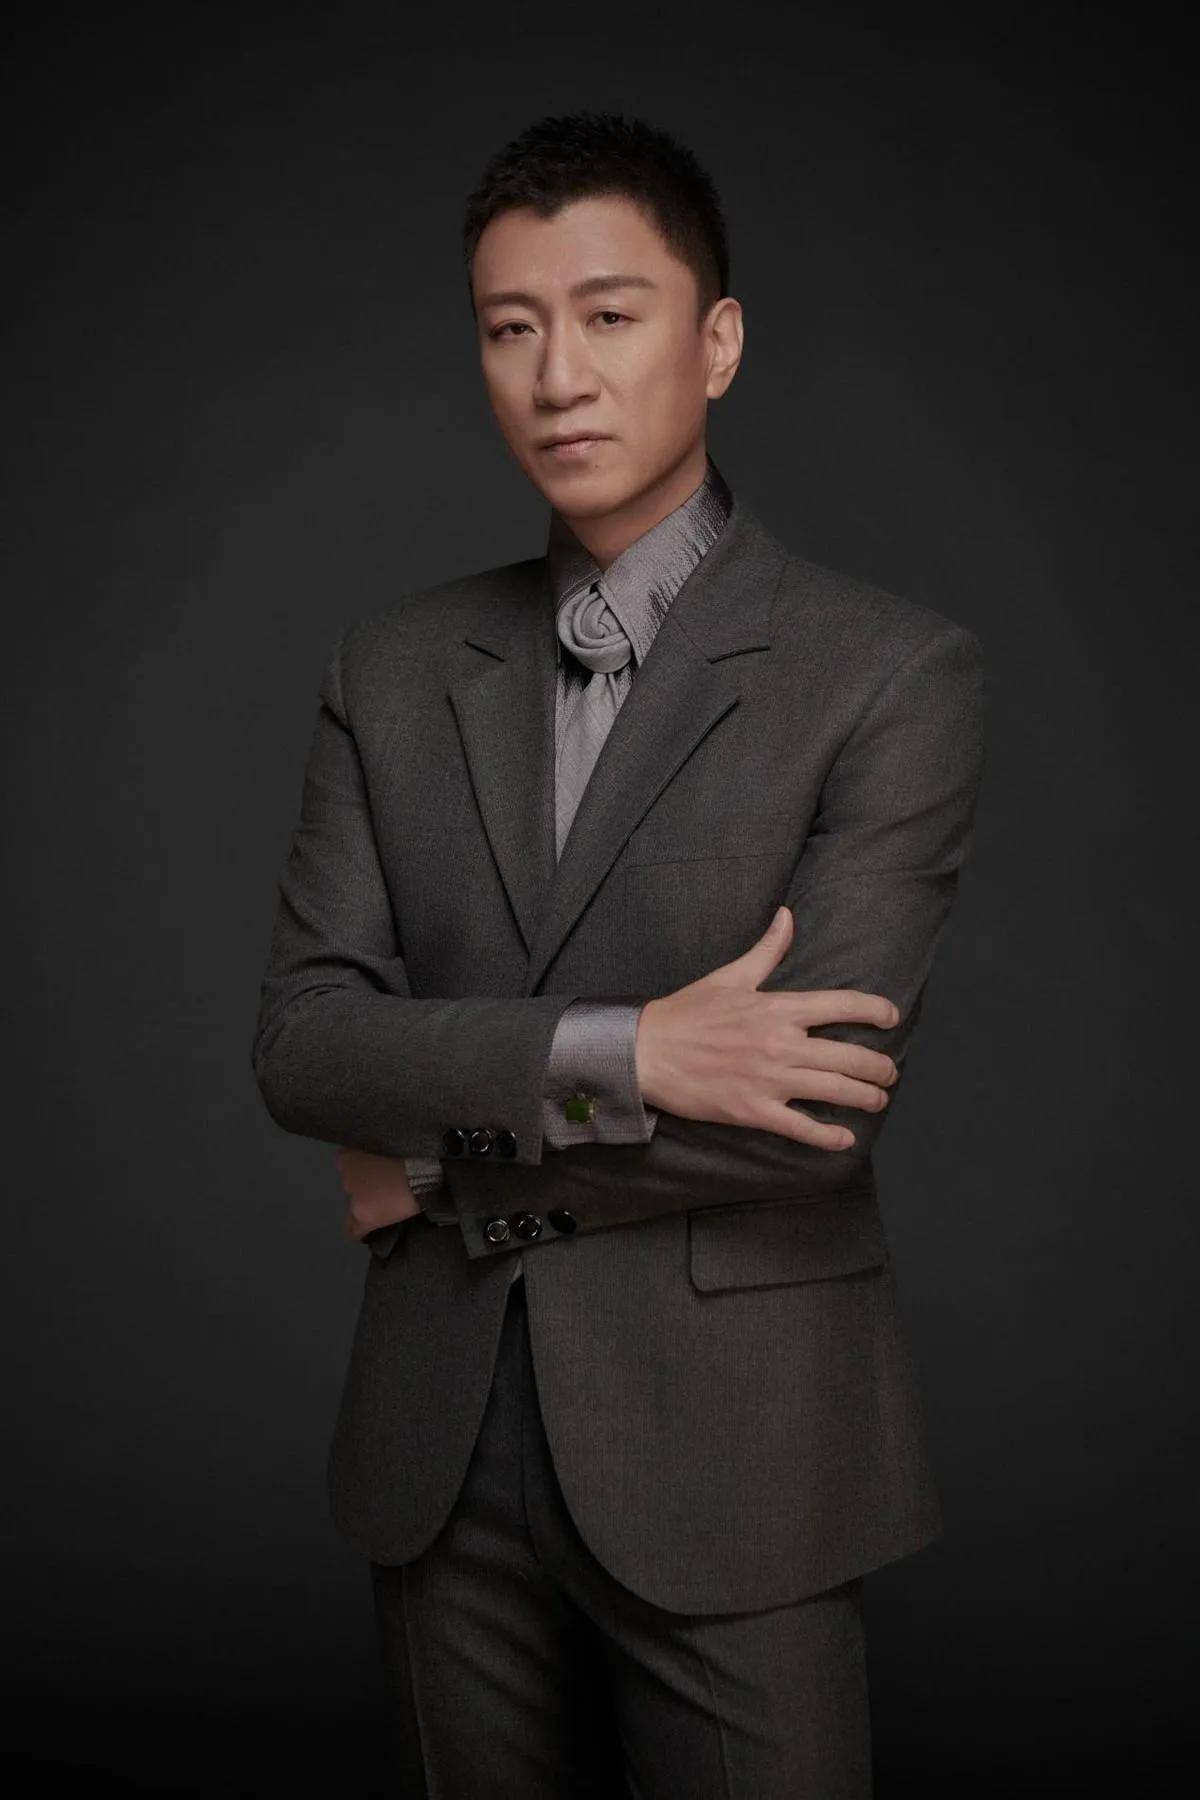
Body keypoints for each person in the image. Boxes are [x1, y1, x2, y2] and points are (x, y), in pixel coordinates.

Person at [251, 109, 986, 1799]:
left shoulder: (888, 673)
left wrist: (440, 1173)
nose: (557, 375)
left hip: (741, 1452)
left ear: (715, 343)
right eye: (510, 328)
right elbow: (303, 1041)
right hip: (440, 1453)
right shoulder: (392, 668)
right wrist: (634, 1052)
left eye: (607, 315)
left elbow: (807, 1116)